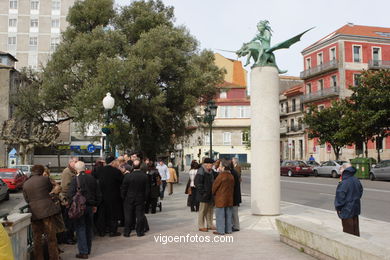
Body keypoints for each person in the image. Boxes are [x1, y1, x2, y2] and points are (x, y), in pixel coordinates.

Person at [23, 165, 61, 260]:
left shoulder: (26, 183)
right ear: (41, 171)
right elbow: (49, 190)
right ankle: (54, 258)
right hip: (47, 211)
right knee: (51, 237)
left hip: (34, 213)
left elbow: (27, 199)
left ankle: (39, 258)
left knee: (37, 238)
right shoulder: (45, 179)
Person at [68, 161, 101, 259]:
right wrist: (96, 204)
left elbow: (70, 194)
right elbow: (98, 193)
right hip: (90, 206)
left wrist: (71, 204)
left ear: (76, 169)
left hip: (79, 207)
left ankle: (83, 251)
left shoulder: (75, 179)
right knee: (88, 228)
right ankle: (88, 249)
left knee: (80, 228)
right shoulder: (92, 178)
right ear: (84, 168)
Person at [121, 159, 150, 237]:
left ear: (133, 166)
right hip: (140, 198)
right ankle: (139, 232)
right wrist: (145, 199)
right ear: (140, 166)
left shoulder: (128, 176)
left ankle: (127, 232)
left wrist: (123, 197)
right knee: (140, 215)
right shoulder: (145, 176)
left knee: (128, 216)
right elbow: (147, 190)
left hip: (129, 198)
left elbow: (123, 188)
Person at [334, 163, 363, 237]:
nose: (340, 170)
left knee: (348, 233)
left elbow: (340, 197)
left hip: (346, 210)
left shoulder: (344, 182)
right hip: (355, 208)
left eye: (341, 168)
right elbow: (360, 191)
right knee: (355, 231)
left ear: (344, 169)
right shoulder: (355, 179)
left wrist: (338, 208)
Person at [97, 157, 123, 237]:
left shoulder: (99, 170)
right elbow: (122, 181)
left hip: (101, 196)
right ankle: (113, 231)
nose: (117, 163)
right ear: (112, 162)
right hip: (113, 196)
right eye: (116, 161)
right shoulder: (116, 171)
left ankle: (102, 231)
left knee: (102, 214)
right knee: (113, 214)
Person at [212, 159, 235, 235]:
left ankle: (220, 230)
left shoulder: (221, 175)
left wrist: (213, 193)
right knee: (228, 215)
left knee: (220, 215)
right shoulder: (231, 176)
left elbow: (214, 186)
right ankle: (228, 230)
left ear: (224, 167)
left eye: (221, 166)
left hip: (220, 198)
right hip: (229, 198)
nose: (219, 167)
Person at [60, 156, 79, 245]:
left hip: (72, 198)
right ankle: (68, 238)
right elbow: (65, 187)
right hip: (68, 199)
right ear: (70, 162)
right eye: (75, 161)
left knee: (71, 220)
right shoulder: (67, 172)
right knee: (68, 220)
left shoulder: (73, 171)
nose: (77, 163)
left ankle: (70, 236)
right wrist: (67, 200)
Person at [194, 158, 215, 232]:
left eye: (212, 164)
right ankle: (201, 226)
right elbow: (197, 183)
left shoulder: (211, 171)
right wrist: (203, 193)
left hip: (210, 195)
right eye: (211, 164)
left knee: (210, 211)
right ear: (206, 164)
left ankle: (210, 225)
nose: (212, 166)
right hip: (203, 195)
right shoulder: (201, 171)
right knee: (202, 211)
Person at [229, 160, 242, 232]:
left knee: (234, 212)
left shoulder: (232, 173)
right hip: (235, 195)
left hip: (234, 196)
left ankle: (236, 226)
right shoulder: (234, 172)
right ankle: (235, 225)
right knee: (234, 212)